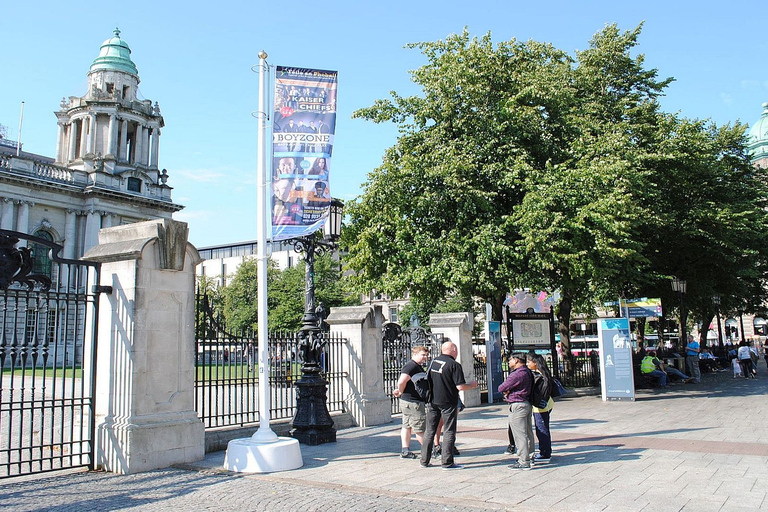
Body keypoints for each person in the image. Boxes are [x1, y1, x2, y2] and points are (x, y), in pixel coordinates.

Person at [419, 341, 477, 470]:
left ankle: (424, 460)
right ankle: (447, 462)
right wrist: (472, 385)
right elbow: (460, 386)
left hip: (433, 400)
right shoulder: (454, 365)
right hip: (448, 402)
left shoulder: (434, 362)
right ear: (453, 350)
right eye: (455, 350)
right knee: (449, 431)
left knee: (430, 430)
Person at [392, 346, 430, 459]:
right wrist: (400, 391)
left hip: (408, 401)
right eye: (423, 355)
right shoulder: (411, 366)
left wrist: (401, 392)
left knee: (407, 426)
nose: (425, 357)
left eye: (426, 355)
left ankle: (405, 450)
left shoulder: (415, 366)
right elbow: (402, 381)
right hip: (413, 402)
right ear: (415, 354)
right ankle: (430, 450)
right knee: (420, 429)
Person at [498, 352, 534, 471]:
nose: (509, 362)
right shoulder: (527, 371)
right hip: (526, 403)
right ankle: (530, 455)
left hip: (517, 405)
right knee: (528, 432)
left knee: (519, 434)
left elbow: (501, 387)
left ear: (517, 360)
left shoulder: (516, 374)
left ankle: (524, 461)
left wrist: (507, 391)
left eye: (510, 359)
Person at [527, 353, 553, 464]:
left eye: (529, 362)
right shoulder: (543, 373)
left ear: (536, 363)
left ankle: (545, 453)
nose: (527, 364)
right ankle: (545, 451)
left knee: (542, 429)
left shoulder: (538, 376)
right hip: (546, 404)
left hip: (541, 407)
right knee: (543, 428)